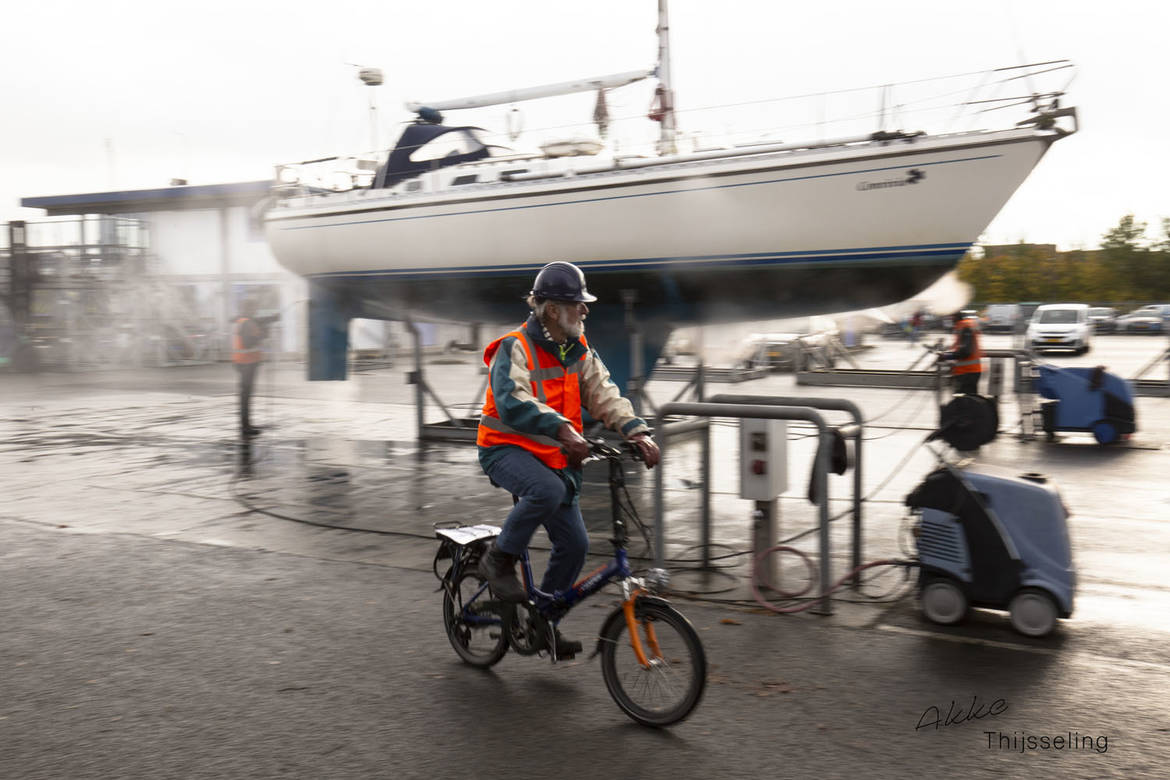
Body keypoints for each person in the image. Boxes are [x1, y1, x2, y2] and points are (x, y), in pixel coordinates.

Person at [476, 261, 660, 658]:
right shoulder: (514, 347)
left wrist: (637, 432)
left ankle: (543, 623)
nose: (585, 310)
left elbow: (603, 392)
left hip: (553, 455)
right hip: (504, 449)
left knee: (575, 545)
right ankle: (498, 560)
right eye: (578, 303)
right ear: (552, 309)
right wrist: (563, 430)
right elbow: (513, 400)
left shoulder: (576, 350)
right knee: (546, 490)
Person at [232, 298, 275, 438]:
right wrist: (262, 334)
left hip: (246, 363)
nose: (255, 311)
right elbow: (247, 343)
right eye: (254, 308)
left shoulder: (245, 321)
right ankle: (245, 427)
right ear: (248, 308)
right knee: (246, 396)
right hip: (247, 363)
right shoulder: (246, 323)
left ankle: (247, 425)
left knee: (246, 396)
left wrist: (263, 330)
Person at [939, 309, 983, 395]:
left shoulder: (965, 327)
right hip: (969, 371)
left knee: (964, 399)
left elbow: (965, 352)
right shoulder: (963, 327)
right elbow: (960, 346)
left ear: (954, 317)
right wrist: (947, 351)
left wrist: (946, 356)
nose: (949, 320)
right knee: (967, 399)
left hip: (967, 372)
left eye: (950, 317)